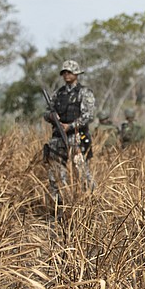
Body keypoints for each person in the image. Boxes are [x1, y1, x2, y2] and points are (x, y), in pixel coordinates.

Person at [43, 60, 95, 206]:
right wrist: (51, 116)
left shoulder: (84, 93)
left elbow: (88, 115)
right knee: (55, 175)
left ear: (76, 74)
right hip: (58, 139)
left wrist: (70, 126)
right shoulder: (58, 93)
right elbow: (47, 112)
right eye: (64, 72)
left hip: (77, 138)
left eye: (69, 72)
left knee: (82, 172)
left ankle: (90, 204)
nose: (66, 75)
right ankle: (59, 207)